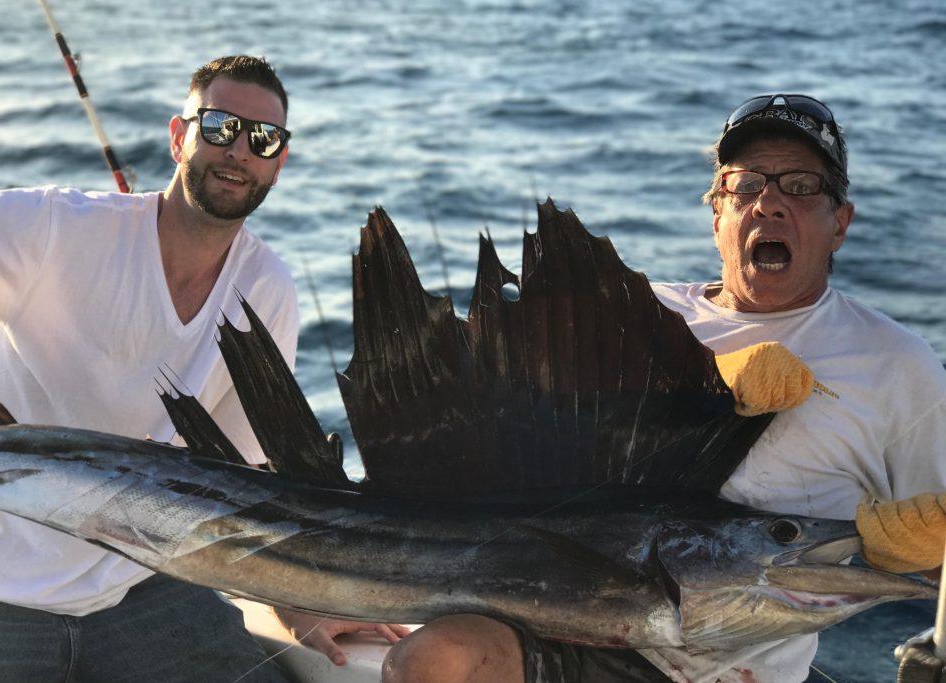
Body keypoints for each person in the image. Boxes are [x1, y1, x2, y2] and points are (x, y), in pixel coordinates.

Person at [381, 94, 946, 683]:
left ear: (841, 224)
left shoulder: (896, 365)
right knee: (430, 660)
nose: (770, 203)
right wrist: (705, 375)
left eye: (801, 185)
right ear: (717, 215)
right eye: (745, 184)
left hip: (730, 669)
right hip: (544, 618)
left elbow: (939, 560)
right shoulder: (641, 319)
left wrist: (916, 553)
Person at [0, 54, 404, 682]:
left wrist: (295, 602)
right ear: (180, 137)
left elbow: (248, 482)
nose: (238, 151)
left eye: (262, 139)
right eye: (220, 127)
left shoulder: (265, 289)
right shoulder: (56, 231)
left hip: (141, 590)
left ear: (279, 164)